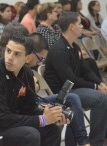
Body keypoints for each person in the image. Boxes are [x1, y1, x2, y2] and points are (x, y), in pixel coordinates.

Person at [0, 32, 64, 146]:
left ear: (27, 58)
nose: (9, 57)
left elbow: (29, 108)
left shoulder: (27, 73)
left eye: (17, 54)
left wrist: (51, 115)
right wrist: (42, 119)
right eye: (8, 51)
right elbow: (2, 118)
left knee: (53, 127)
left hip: (7, 120)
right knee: (30, 134)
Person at [44, 12, 107, 146]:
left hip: (75, 90)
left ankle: (100, 138)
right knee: (100, 99)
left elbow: (86, 70)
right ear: (72, 27)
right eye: (80, 23)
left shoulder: (74, 46)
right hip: (62, 93)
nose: (82, 26)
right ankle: (96, 142)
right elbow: (70, 79)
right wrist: (95, 87)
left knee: (103, 93)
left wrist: (101, 83)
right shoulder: (59, 50)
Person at [27, 33, 90, 146]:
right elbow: (23, 104)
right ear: (31, 54)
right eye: (40, 58)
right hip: (28, 107)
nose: (40, 62)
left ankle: (83, 142)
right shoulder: (19, 69)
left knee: (72, 98)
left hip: (35, 101)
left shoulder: (28, 69)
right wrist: (43, 108)